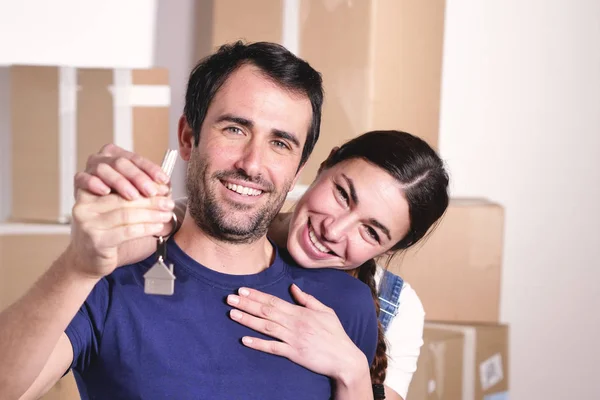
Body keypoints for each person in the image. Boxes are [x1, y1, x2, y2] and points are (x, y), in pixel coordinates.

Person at [0, 41, 380, 400]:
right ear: (187, 137)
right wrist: (78, 267)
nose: (251, 164)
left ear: (297, 171)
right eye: (235, 129)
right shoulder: (109, 280)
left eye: (280, 143)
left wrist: (354, 373)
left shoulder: (343, 304)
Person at [78, 130, 450, 400]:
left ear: (390, 248)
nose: (334, 230)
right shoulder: (201, 226)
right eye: (342, 194)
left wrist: (351, 369)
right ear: (321, 166)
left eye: (370, 232)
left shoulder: (391, 306)